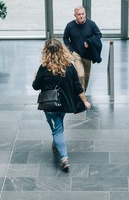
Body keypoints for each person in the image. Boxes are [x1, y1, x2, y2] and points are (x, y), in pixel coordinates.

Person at [32, 38, 91, 171]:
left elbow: (36, 87)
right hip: (64, 104)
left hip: (49, 105)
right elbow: (78, 87)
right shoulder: (69, 66)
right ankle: (56, 143)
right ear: (62, 50)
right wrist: (85, 101)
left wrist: (36, 77)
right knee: (58, 123)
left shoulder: (44, 67)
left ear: (46, 52)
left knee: (56, 129)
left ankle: (64, 157)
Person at [63, 6, 102, 92]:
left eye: (82, 14)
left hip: (88, 54)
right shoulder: (70, 26)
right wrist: (71, 51)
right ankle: (81, 96)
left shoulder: (91, 24)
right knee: (80, 75)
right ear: (75, 15)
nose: (81, 16)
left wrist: (89, 42)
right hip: (76, 54)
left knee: (86, 75)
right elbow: (65, 38)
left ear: (85, 14)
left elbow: (99, 35)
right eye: (79, 14)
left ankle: (83, 92)